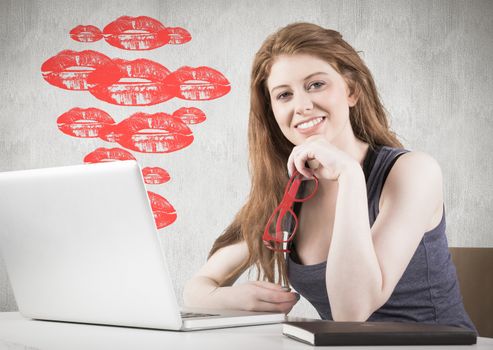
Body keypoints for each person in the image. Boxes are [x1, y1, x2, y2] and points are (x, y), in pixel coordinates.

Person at [183, 22, 476, 332]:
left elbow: (352, 311)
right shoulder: (287, 193)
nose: (302, 106)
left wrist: (349, 175)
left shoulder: (413, 172)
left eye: (316, 85)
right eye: (284, 95)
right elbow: (196, 290)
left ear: (351, 90)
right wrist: (233, 298)